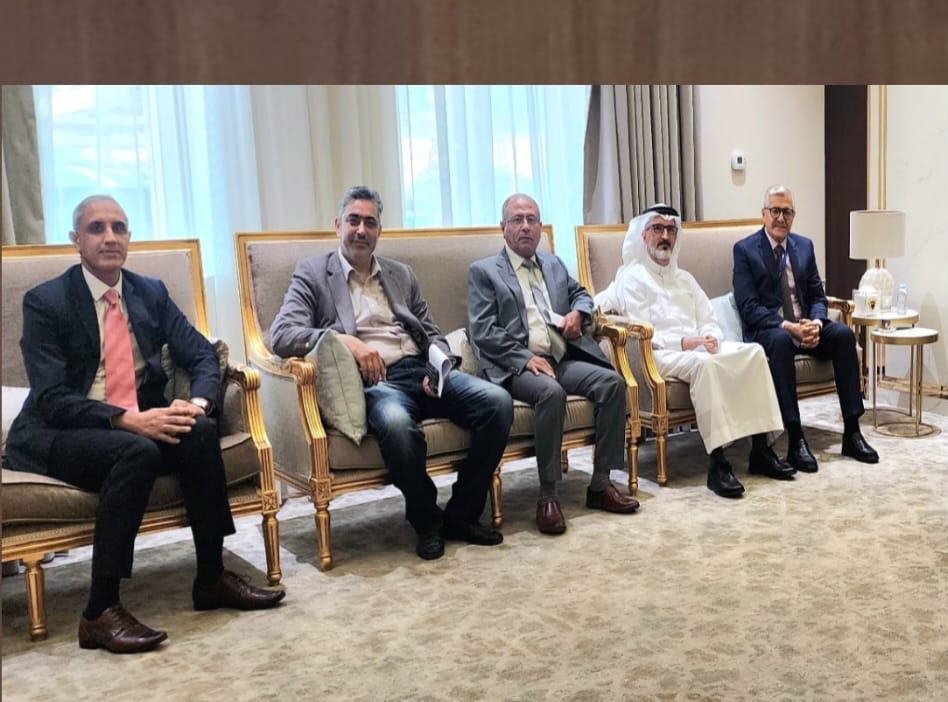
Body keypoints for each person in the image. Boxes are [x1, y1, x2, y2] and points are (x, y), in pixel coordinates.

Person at [5, 195, 284, 654]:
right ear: (76, 240)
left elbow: (201, 354)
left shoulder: (149, 292)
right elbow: (52, 397)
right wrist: (127, 421)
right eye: (96, 228)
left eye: (119, 227)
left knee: (197, 431)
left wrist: (196, 404)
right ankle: (99, 611)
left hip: (138, 419)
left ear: (129, 238)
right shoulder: (46, 302)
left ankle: (211, 578)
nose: (109, 237)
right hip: (60, 432)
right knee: (137, 450)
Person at [269, 186, 512, 560]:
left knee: (497, 402)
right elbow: (282, 335)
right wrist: (345, 342)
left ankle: (461, 514)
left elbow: (431, 332)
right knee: (397, 425)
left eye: (370, 223)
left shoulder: (401, 273)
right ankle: (427, 521)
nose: (361, 230)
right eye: (353, 221)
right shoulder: (314, 273)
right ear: (337, 225)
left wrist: (438, 365)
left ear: (379, 231)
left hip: (422, 372)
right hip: (377, 382)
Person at [466, 193, 639, 535]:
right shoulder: (484, 272)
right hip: (516, 365)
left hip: (561, 356)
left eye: (532, 219)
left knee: (612, 383)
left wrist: (578, 313)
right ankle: (548, 496)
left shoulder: (553, 264)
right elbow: (483, 331)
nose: (526, 227)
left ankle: (600, 484)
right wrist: (525, 358)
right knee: (550, 392)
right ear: (503, 228)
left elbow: (582, 295)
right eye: (517, 220)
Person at [595, 204, 793, 498]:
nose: (665, 236)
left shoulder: (685, 278)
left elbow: (708, 318)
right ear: (643, 235)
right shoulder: (633, 278)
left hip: (697, 348)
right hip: (659, 354)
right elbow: (642, 330)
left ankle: (761, 450)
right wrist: (687, 343)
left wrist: (711, 336)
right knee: (705, 366)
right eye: (657, 229)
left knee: (753, 352)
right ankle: (718, 463)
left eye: (670, 230)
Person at [732, 186, 878, 473]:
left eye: (787, 212)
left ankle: (852, 432)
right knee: (782, 341)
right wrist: (788, 327)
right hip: (771, 330)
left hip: (805, 326)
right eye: (775, 211)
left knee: (843, 335)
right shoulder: (745, 250)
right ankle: (796, 439)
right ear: (763, 214)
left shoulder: (804, 246)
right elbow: (748, 307)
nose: (780, 218)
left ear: (793, 216)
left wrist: (817, 323)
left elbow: (817, 297)